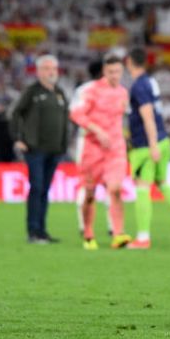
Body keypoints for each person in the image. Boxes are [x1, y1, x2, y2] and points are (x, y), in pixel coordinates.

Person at [123, 48, 170, 249]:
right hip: (163, 140)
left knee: (142, 187)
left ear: (129, 61)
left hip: (147, 145)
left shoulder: (139, 86)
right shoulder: (150, 81)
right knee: (162, 182)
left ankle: (143, 237)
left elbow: (147, 115)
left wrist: (152, 144)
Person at [70, 54, 132, 250]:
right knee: (89, 193)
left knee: (115, 190)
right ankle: (88, 234)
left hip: (115, 149)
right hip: (93, 149)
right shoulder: (91, 91)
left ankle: (118, 234)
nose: (115, 75)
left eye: (118, 72)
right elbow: (76, 114)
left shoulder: (123, 92)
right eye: (111, 72)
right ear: (104, 72)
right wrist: (97, 130)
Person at [10, 54, 69, 244]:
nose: (51, 72)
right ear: (39, 71)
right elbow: (15, 113)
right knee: (36, 188)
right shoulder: (32, 92)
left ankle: (42, 230)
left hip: (55, 149)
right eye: (47, 68)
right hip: (35, 148)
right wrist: (18, 138)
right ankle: (33, 231)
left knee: (44, 190)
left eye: (53, 68)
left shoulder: (59, 93)